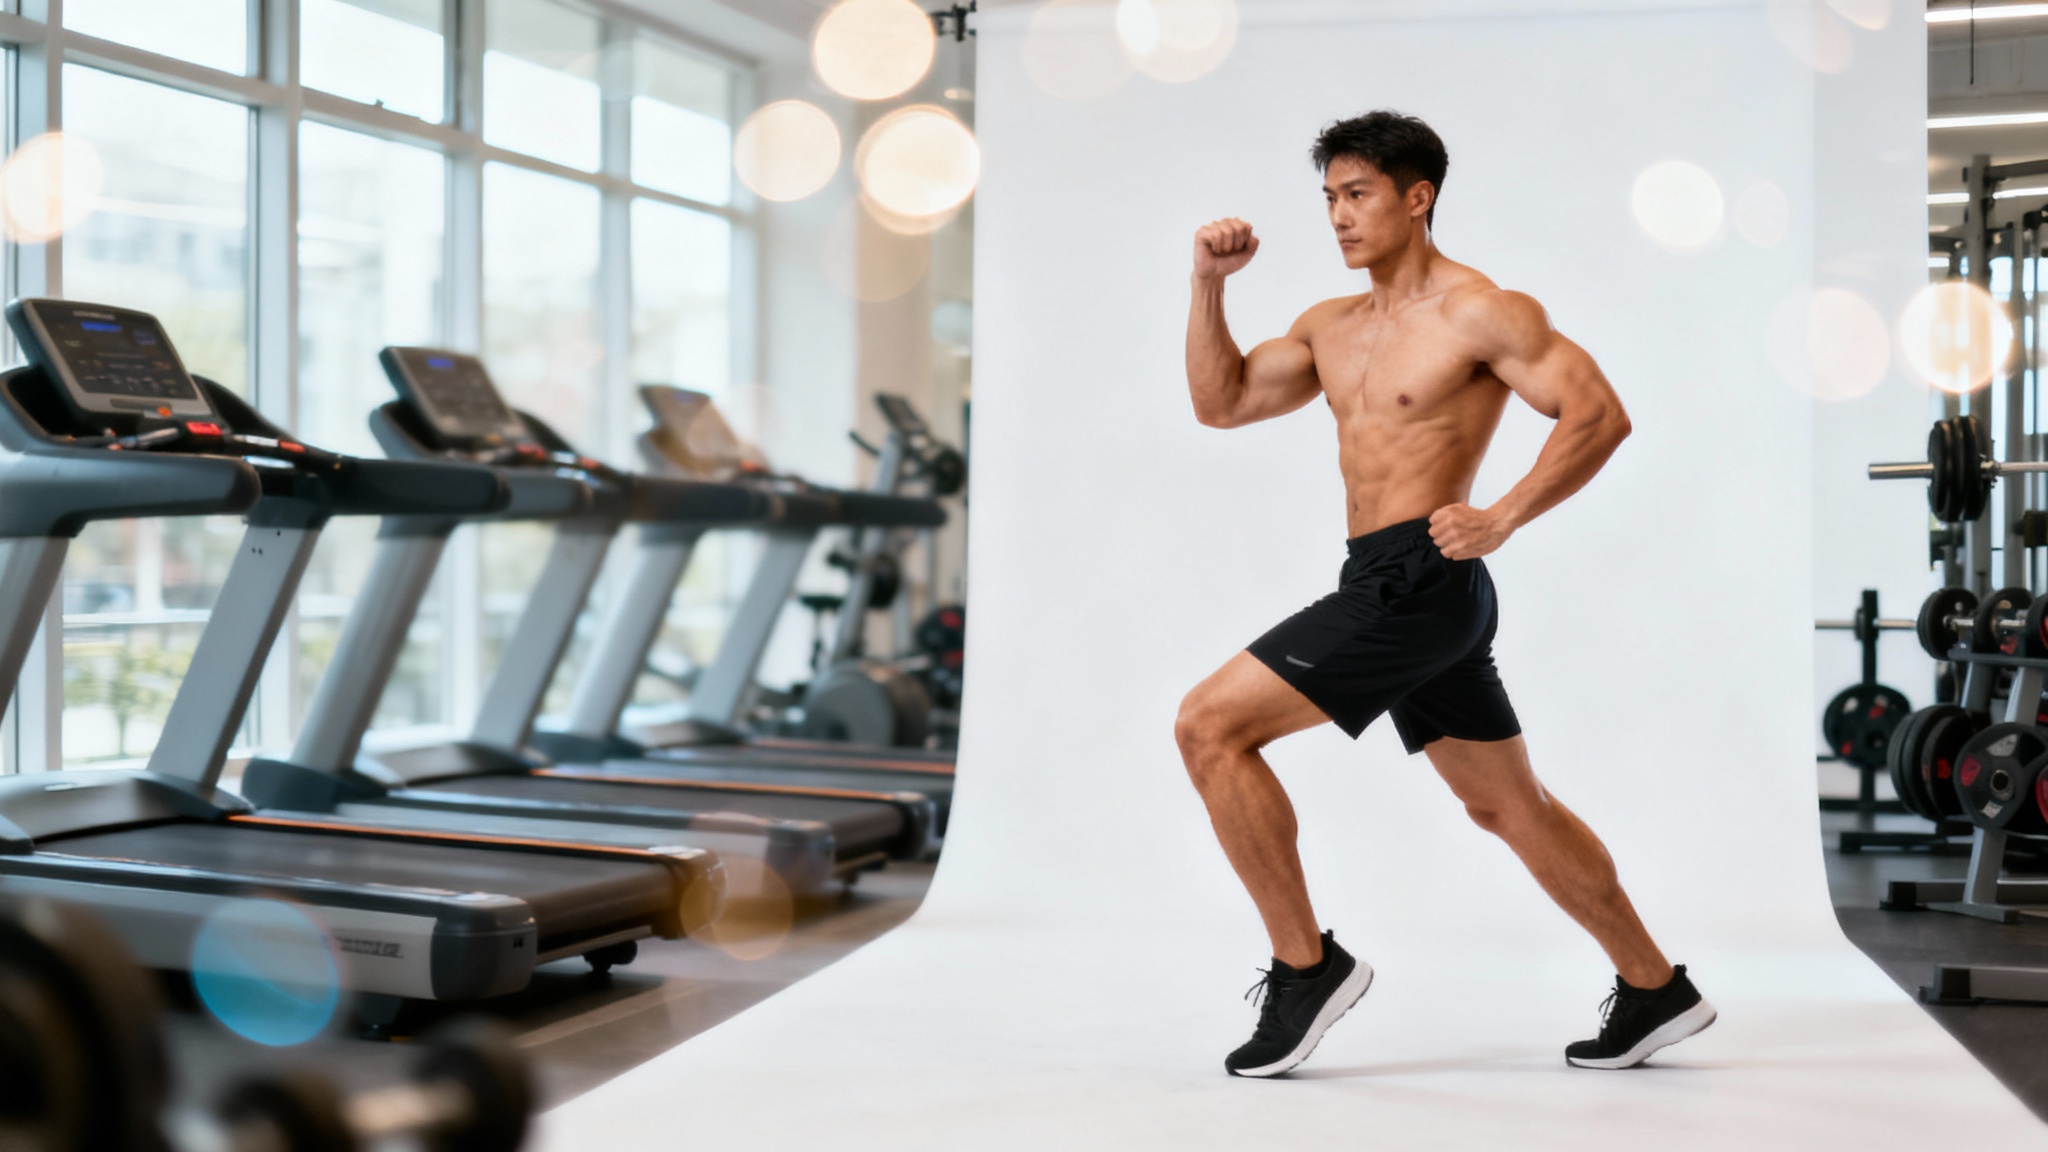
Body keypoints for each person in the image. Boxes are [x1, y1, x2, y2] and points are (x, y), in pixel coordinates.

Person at [1176, 109, 1714, 1078]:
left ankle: (1306, 969)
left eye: (1357, 194)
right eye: (1329, 198)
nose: (1338, 217)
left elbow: (1597, 414)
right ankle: (1651, 987)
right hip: (1381, 578)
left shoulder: (1480, 311)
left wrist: (1502, 514)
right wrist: (1207, 287)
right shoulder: (1327, 326)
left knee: (1207, 726)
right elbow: (1220, 405)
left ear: (1415, 197)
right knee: (1509, 808)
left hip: (1424, 581)